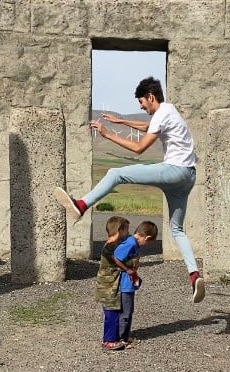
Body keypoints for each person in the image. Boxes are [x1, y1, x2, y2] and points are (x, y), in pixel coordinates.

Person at [54, 76, 205, 303]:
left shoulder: (162, 113)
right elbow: (148, 127)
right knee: (177, 231)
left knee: (116, 174)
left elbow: (139, 148)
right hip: (188, 177)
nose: (141, 107)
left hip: (175, 170)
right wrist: (122, 122)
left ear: (150, 96)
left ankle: (82, 205)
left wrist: (108, 134)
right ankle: (194, 275)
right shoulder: (169, 111)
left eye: (142, 102)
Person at [113, 220, 158, 348]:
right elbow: (116, 257)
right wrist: (127, 269)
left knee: (128, 310)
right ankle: (121, 338)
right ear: (147, 237)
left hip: (129, 282)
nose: (146, 245)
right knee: (126, 311)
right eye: (148, 242)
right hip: (125, 284)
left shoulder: (133, 243)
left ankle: (125, 335)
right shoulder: (131, 243)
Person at [95, 216, 130, 351]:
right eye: (126, 230)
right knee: (111, 313)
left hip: (110, 285)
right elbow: (121, 261)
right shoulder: (110, 247)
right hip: (108, 286)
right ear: (119, 230)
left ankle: (115, 337)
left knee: (114, 311)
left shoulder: (111, 245)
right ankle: (108, 340)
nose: (128, 233)